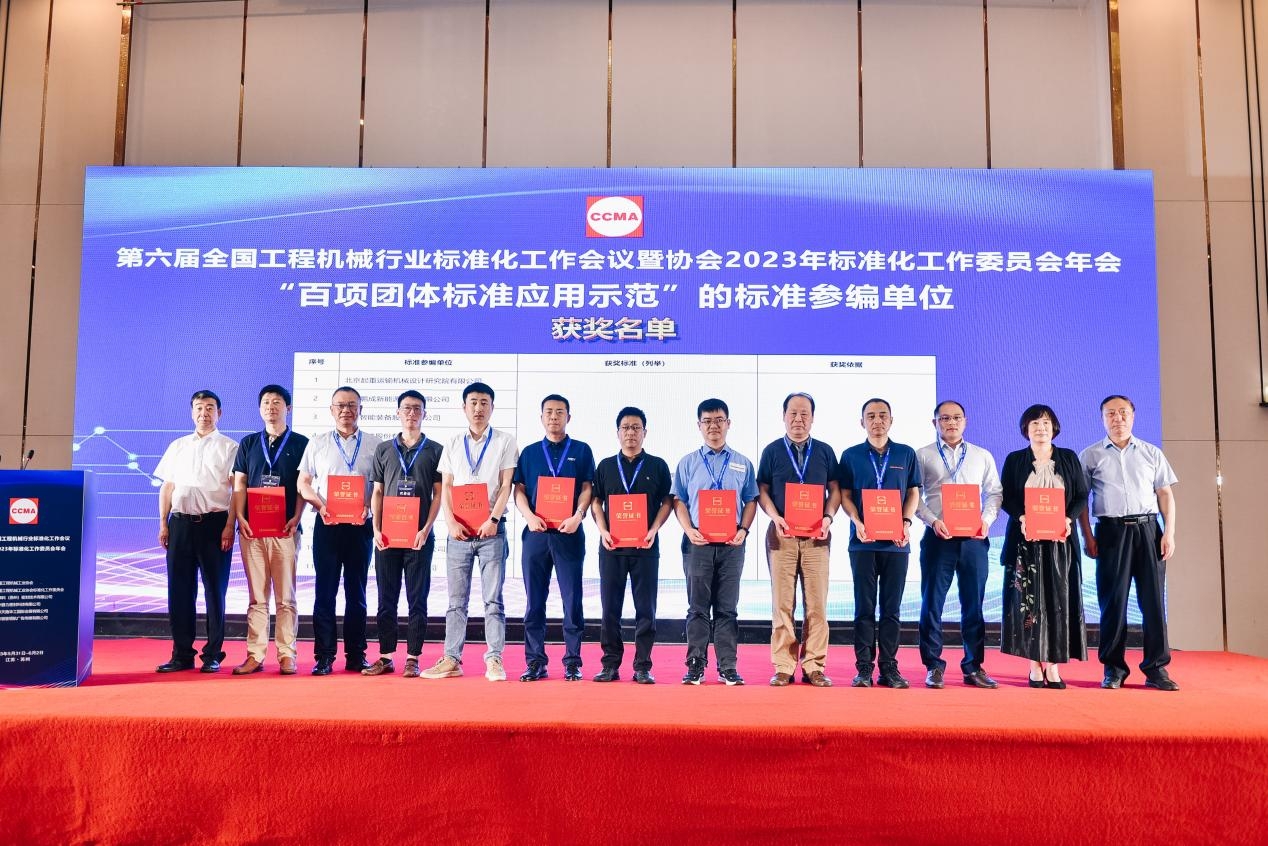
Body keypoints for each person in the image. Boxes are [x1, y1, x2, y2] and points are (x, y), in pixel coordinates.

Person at [1078, 395, 1180, 691]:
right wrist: (1088, 536)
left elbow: (1165, 494)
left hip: (1148, 531)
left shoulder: (1151, 452)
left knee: (1153, 603)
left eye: (1123, 412)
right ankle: (1114, 668)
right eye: (1110, 413)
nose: (1117, 418)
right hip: (1110, 533)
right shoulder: (1090, 455)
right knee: (1113, 603)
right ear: (1102, 419)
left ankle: (1156, 669)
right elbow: (1081, 501)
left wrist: (1169, 533)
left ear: (1133, 416)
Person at [425, 381, 518, 683]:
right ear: (464, 407)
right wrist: (451, 522)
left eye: (484, 403)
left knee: (493, 600)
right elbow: (447, 487)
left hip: (492, 532)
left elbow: (506, 485)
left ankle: (494, 659)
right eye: (473, 402)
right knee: (456, 602)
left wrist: (493, 519)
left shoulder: (505, 441)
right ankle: (452, 659)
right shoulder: (453, 443)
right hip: (459, 534)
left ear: (492, 407)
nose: (478, 408)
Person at [914, 400, 1003, 689]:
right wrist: (932, 521)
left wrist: (986, 521)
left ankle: (973, 666)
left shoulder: (981, 455)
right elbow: (913, 497)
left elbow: (995, 493)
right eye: (944, 418)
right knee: (932, 603)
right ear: (935, 423)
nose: (951, 423)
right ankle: (933, 666)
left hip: (974, 539)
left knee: (973, 605)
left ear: (965, 421)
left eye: (956, 418)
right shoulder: (923, 455)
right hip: (938, 538)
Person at [999, 404, 1089, 689]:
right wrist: (1022, 517)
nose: (1041, 428)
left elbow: (1081, 495)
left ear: (1054, 428)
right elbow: (1006, 496)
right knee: (1030, 604)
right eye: (1035, 423)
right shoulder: (1015, 459)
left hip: (1060, 543)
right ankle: (1034, 664)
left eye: (1046, 423)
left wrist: (1068, 518)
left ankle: (1053, 664)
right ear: (1025, 429)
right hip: (1025, 543)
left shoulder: (1068, 457)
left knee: (1058, 603)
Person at [671, 398, 759, 686]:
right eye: (707, 421)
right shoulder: (687, 463)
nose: (713, 426)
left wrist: (744, 530)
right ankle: (695, 665)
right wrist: (688, 529)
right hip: (698, 542)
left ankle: (727, 666)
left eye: (719, 420)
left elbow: (751, 500)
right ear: (699, 425)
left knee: (727, 608)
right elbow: (679, 500)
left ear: (728, 423)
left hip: (732, 543)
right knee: (697, 607)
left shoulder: (743, 463)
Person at [297, 386, 383, 675]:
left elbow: (380, 487)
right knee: (325, 592)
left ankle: (356, 655)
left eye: (352, 405)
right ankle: (324, 656)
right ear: (331, 410)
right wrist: (321, 506)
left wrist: (369, 507)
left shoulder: (375, 445)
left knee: (357, 593)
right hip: (328, 525)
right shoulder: (317, 443)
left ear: (361, 409)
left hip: (361, 526)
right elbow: (303, 483)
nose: (346, 410)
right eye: (340, 405)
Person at [756, 392, 840, 687]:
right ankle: (784, 665)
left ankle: (814, 665)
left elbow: (835, 490)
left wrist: (828, 517)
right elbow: (762, 490)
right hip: (782, 537)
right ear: (783, 416)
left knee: (817, 605)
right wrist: (775, 516)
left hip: (818, 537)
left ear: (813, 418)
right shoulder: (772, 451)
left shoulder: (825, 451)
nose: (798, 419)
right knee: (782, 604)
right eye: (792, 413)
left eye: (804, 413)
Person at [838, 398, 922, 689]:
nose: (877, 421)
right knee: (864, 608)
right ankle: (863, 668)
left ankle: (889, 668)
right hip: (863, 543)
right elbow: (845, 495)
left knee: (891, 609)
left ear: (891, 420)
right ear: (862, 422)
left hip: (896, 544)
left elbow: (913, 492)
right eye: (871, 416)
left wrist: (906, 522)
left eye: (883, 415)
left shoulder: (906, 453)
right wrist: (856, 521)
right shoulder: (850, 455)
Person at [154, 390, 239, 673]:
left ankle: (213, 654)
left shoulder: (230, 447)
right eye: (199, 408)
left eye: (210, 408)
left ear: (219, 413)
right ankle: (181, 654)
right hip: (179, 524)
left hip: (215, 525)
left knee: (215, 591)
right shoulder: (178, 446)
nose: (204, 413)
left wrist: (230, 526)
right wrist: (163, 523)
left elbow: (236, 491)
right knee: (179, 591)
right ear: (192, 412)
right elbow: (167, 487)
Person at [513, 394, 596, 681]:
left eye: (560, 412)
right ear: (541, 417)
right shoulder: (530, 452)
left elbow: (587, 487)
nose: (554, 417)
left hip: (568, 534)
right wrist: (529, 516)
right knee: (534, 601)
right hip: (536, 535)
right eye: (548, 411)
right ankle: (535, 661)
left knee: (572, 600)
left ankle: (572, 661)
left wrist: (578, 516)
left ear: (568, 417)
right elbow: (519, 490)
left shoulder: (582, 450)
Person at [589, 407, 673, 684]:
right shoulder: (605, 466)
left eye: (636, 427)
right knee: (609, 609)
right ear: (617, 433)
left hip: (645, 548)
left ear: (645, 432)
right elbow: (596, 501)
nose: (631, 433)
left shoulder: (658, 465)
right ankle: (610, 664)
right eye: (625, 427)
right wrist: (603, 530)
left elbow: (668, 501)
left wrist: (654, 529)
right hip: (612, 548)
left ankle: (642, 666)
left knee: (646, 609)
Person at [363, 390, 444, 678]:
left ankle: (413, 657)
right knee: (386, 598)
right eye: (406, 408)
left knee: (417, 599)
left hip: (419, 537)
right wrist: (376, 528)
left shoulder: (435, 450)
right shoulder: (384, 449)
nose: (411, 413)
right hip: (387, 537)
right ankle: (385, 656)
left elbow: (438, 494)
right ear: (397, 412)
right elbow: (377, 492)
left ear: (425, 414)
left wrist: (426, 529)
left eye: (417, 408)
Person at [230, 385, 309, 675]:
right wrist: (240, 517)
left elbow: (303, 486)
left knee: (286, 597)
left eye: (277, 402)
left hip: (285, 530)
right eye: (266, 402)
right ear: (259, 408)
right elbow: (239, 483)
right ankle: (255, 654)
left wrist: (297, 517)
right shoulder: (249, 443)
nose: (271, 407)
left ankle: (287, 654)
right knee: (257, 597)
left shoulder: (301, 443)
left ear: (288, 408)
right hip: (252, 531)